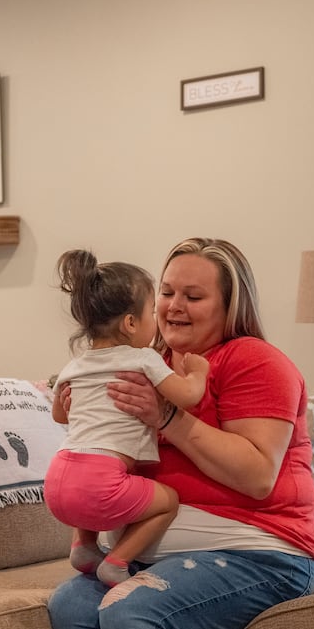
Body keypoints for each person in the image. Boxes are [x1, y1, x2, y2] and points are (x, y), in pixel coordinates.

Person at [47, 237, 314, 629]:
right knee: (71, 605)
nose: (173, 306)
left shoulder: (254, 361)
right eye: (167, 292)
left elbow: (259, 473)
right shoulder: (144, 362)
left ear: (228, 305)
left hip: (260, 554)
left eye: (193, 296)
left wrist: (168, 418)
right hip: (149, 557)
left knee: (130, 610)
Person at [46, 249, 210, 587]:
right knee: (168, 502)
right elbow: (188, 398)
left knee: (86, 474)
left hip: (58, 480)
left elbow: (60, 413)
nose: (156, 318)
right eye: (151, 311)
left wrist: (67, 402)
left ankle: (84, 545)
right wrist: (197, 374)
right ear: (131, 323)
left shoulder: (76, 364)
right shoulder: (143, 359)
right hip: (99, 482)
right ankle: (116, 562)